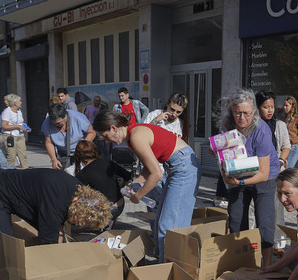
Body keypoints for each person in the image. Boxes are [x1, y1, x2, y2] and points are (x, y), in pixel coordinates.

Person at [0, 168, 111, 280]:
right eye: (81, 223)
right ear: (79, 212)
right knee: (2, 247)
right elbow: (47, 248)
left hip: (21, 196)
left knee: (52, 242)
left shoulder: (78, 194)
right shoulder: (56, 202)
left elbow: (59, 229)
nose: (79, 226)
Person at [93, 110, 200, 262]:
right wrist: (133, 184)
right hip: (180, 166)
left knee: (169, 226)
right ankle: (167, 264)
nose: (106, 141)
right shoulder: (133, 134)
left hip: (183, 167)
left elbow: (156, 174)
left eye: (105, 136)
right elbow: (148, 168)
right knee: (162, 222)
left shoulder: (135, 136)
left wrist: (138, 196)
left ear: (113, 128)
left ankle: (172, 270)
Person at [216, 88, 279, 267]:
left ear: (254, 112)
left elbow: (264, 173)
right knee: (235, 218)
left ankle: (266, 266)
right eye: (237, 112)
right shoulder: (227, 125)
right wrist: (225, 174)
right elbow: (222, 157)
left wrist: (241, 181)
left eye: (246, 113)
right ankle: (240, 262)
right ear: (232, 111)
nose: (242, 117)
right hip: (238, 173)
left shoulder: (261, 130)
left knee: (264, 220)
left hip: (264, 176)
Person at [256, 90, 291, 252]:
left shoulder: (280, 125)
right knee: (257, 210)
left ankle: (279, 243)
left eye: (271, 107)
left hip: (276, 171)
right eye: (265, 107)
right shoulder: (253, 126)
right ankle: (255, 243)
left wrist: (280, 161)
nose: (270, 110)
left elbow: (286, 146)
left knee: (278, 208)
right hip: (257, 172)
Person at [73, 139, 132, 227]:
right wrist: (121, 188)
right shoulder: (108, 162)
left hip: (104, 210)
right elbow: (127, 175)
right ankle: (109, 222)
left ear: (78, 155)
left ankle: (101, 224)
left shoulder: (82, 174)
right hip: (119, 205)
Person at [41, 103, 96, 169]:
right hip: (63, 154)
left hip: (81, 153)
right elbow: (49, 142)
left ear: (66, 116)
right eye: (54, 123)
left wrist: (82, 147)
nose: (56, 125)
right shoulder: (47, 123)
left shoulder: (78, 118)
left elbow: (91, 132)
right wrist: (54, 159)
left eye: (59, 123)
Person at [0, 93, 30, 168]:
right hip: (10, 136)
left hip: (20, 136)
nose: (21, 102)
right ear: (15, 103)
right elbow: (4, 126)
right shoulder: (7, 112)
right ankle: (10, 173)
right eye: (20, 101)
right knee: (11, 156)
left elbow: (21, 123)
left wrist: (26, 127)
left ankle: (25, 170)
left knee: (23, 156)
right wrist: (17, 126)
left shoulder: (19, 111)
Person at [281, 96, 298, 168]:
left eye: (286, 106)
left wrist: (293, 141)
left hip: (294, 147)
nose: (284, 107)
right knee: (283, 169)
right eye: (284, 105)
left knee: (288, 169)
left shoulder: (297, 118)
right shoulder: (283, 118)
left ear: (292, 106)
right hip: (284, 147)